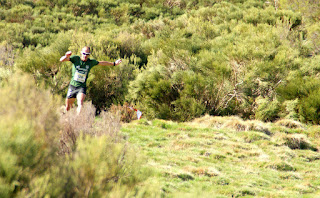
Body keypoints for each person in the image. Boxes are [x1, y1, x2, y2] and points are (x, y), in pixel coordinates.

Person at [60, 46, 122, 114]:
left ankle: (77, 120)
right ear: (81, 53)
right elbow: (62, 60)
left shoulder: (90, 62)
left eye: (87, 54)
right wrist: (66, 56)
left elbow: (102, 63)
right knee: (67, 107)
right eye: (84, 53)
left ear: (89, 55)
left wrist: (114, 63)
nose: (85, 56)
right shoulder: (76, 59)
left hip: (81, 87)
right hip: (72, 86)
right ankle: (66, 119)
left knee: (80, 103)